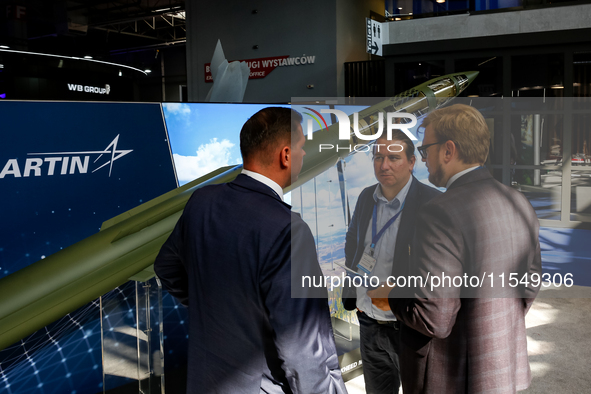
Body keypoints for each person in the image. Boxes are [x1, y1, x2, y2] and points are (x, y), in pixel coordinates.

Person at [154, 107, 347, 394]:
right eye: (301, 147)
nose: (303, 155)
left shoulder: (201, 202)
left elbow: (166, 267)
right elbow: (301, 351)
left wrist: (215, 309)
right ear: (285, 155)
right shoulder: (287, 229)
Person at [369, 104, 542, 394]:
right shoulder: (518, 201)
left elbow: (435, 319)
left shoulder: (439, 212)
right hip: (503, 369)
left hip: (451, 378)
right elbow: (530, 283)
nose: (424, 160)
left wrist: (391, 296)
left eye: (425, 151)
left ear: (448, 150)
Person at [341, 130, 440, 393]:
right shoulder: (365, 197)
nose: (384, 165)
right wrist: (355, 295)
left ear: (411, 162)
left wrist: (399, 292)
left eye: (393, 158)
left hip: (407, 325)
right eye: (378, 157)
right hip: (368, 321)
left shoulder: (431, 203)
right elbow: (353, 244)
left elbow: (438, 271)